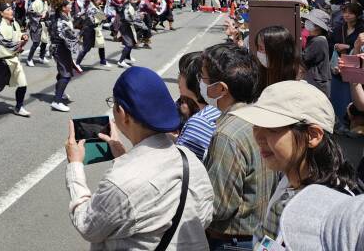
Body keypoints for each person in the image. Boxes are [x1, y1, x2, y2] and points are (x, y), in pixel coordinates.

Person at [64, 66, 214, 249]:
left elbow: (88, 226)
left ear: (123, 114)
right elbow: (204, 217)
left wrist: (75, 166)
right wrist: (122, 157)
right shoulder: (189, 158)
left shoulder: (120, 182)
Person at [229, 80, 361, 247]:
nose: (259, 137)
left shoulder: (329, 211)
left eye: (272, 129)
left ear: (312, 135)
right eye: (256, 125)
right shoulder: (288, 181)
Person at [201, 43, 277, 249]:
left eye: (204, 78)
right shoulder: (260, 117)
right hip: (260, 232)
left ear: (221, 89)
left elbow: (220, 206)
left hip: (232, 240)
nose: (201, 83)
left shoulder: (226, 135)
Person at [175, 51, 221, 161]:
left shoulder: (200, 122)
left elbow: (181, 166)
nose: (178, 78)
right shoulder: (216, 110)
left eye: (181, 73)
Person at [48, 0, 79, 112]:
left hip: (58, 47)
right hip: (60, 48)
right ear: (63, 7)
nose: (70, 6)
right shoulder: (61, 20)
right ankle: (57, 101)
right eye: (68, 4)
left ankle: (59, 92)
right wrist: (80, 32)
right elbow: (70, 36)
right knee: (66, 73)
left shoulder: (56, 15)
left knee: (63, 72)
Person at [254, 26, 301, 91]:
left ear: (277, 50)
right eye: (258, 47)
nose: (258, 52)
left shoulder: (298, 82)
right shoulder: (259, 74)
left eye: (261, 48)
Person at [302, 8, 331, 97]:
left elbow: (304, 58)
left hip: (317, 83)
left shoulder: (319, 41)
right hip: (316, 81)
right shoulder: (316, 39)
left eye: (310, 21)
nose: (307, 23)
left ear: (318, 26)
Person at [75, 0, 107, 69]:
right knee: (86, 47)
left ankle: (103, 61)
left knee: (101, 44)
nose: (101, 1)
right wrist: (105, 16)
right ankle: (77, 63)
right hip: (89, 29)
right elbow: (103, 17)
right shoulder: (92, 7)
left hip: (93, 28)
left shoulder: (91, 5)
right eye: (99, 0)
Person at [26, 0, 50, 67]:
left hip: (43, 23)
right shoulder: (35, 3)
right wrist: (40, 15)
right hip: (36, 24)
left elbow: (47, 10)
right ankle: (29, 59)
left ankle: (41, 57)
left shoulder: (45, 2)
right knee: (36, 43)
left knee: (44, 41)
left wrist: (45, 13)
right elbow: (30, 12)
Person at [117, 0, 140, 68]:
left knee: (132, 42)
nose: (136, 0)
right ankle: (121, 61)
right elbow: (127, 18)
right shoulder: (127, 6)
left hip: (128, 25)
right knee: (129, 44)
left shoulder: (130, 4)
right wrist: (137, 18)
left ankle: (127, 56)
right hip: (125, 26)